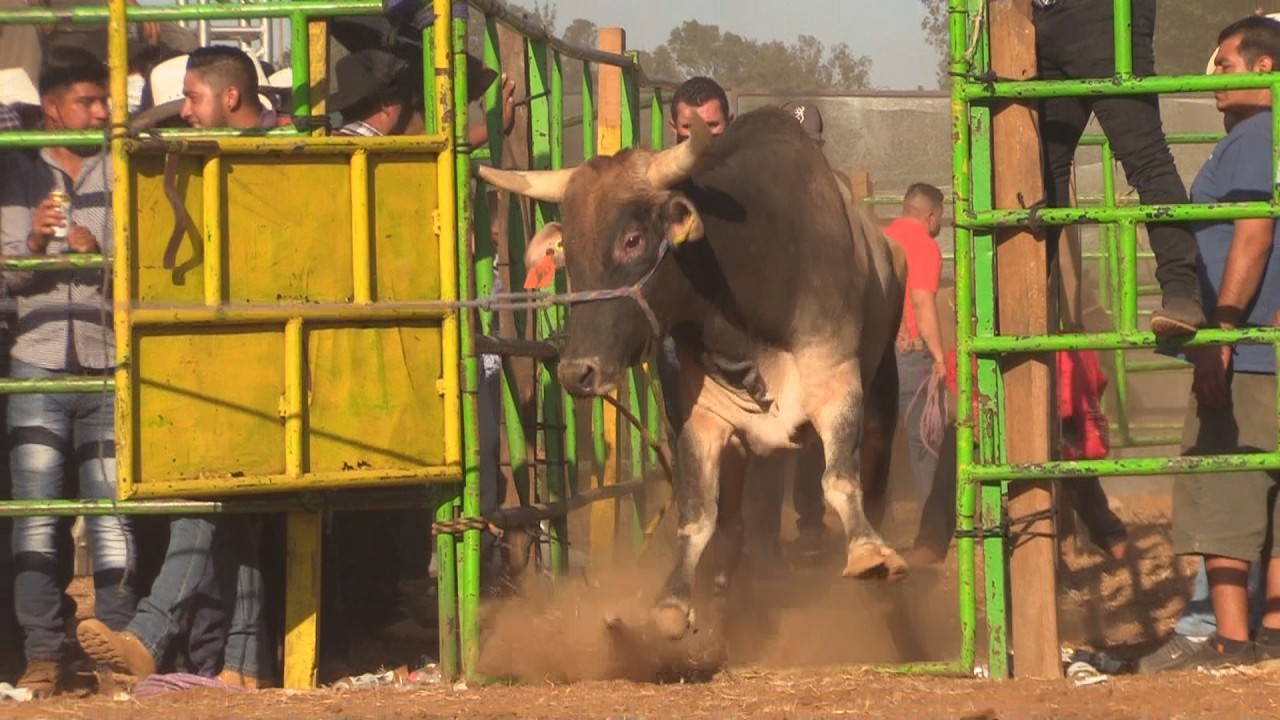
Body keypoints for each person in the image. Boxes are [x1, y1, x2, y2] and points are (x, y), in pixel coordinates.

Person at [76, 46, 275, 690]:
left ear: (230, 98)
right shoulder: (216, 155)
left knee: (203, 499)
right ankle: (243, 665)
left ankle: (150, 634)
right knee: (230, 506)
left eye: (192, 98)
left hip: (262, 362)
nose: (184, 112)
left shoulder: (281, 158)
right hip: (228, 359)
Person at [1144, 14, 1280, 671]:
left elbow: (1253, 232)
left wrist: (1222, 331)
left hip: (1246, 349)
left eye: (1224, 64)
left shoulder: (1256, 135)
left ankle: (1229, 639)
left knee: (1226, 481)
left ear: (1265, 68)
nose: (1212, 77)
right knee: (1271, 489)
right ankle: (1273, 632)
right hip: (1261, 341)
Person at [0, 46, 134, 699]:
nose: (102, 111)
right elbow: (5, 275)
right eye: (88, 101)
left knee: (113, 518)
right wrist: (33, 245)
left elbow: (144, 261)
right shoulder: (17, 171)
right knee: (35, 518)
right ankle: (44, 657)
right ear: (53, 109)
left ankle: (117, 650)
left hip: (108, 362)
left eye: (104, 99)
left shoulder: (121, 165)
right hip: (38, 362)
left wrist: (97, 250)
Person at [1034, 0, 1205, 337]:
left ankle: (1182, 290)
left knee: (1145, 156)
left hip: (1100, 13)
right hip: (1041, 13)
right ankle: (1024, 291)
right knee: (1044, 169)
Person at [885, 184, 947, 503]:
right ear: (931, 216)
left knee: (877, 436)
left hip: (875, 352)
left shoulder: (882, 235)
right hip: (909, 355)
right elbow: (922, 303)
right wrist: (939, 357)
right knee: (924, 439)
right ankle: (932, 518)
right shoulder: (923, 245)